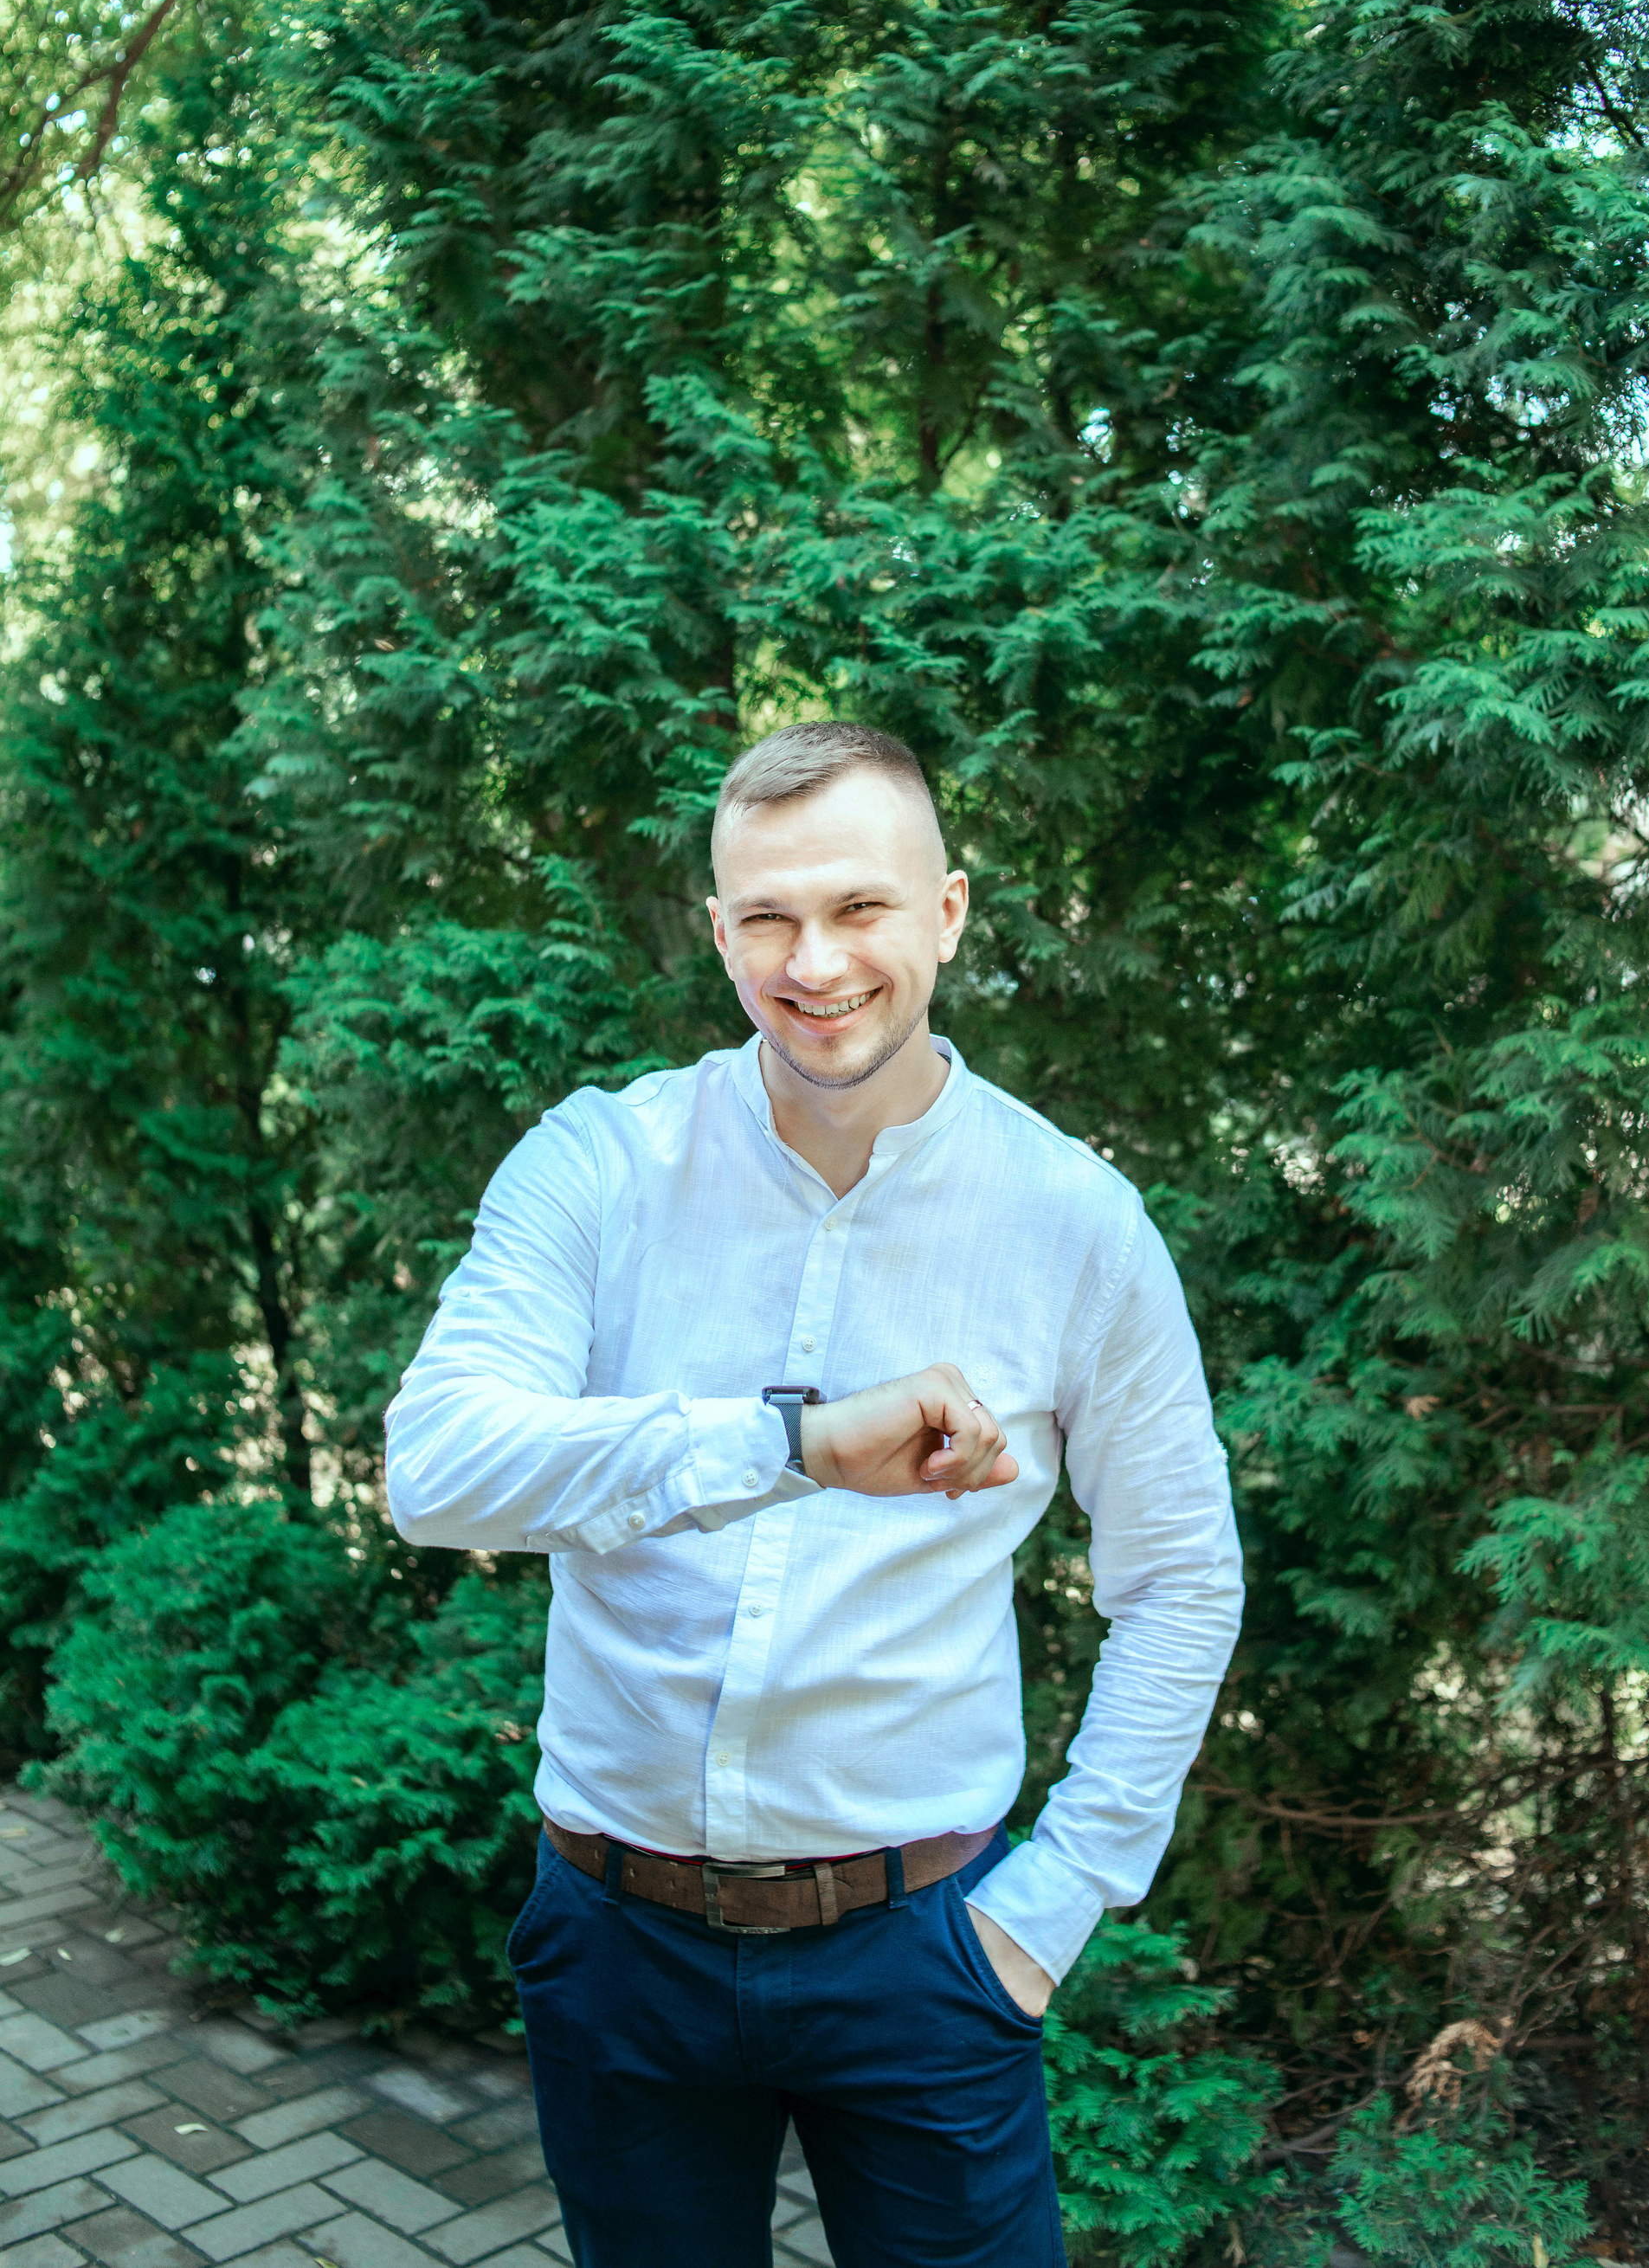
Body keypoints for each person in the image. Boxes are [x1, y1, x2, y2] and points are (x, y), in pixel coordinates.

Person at [384, 720, 1243, 2268]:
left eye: (860, 907)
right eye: (768, 917)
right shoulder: (599, 1163)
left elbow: (1182, 1577)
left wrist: (1048, 1913)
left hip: (928, 1956)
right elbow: (439, 1468)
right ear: (718, 931)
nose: (815, 960)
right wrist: (793, 1444)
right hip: (617, 1938)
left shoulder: (1076, 1221)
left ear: (948, 914)